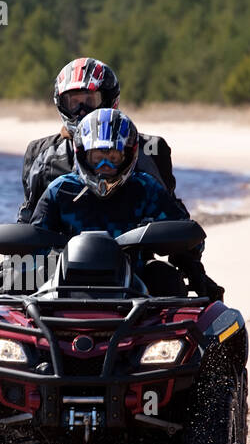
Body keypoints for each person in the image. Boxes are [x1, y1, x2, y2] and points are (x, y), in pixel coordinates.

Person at [31, 108, 222, 300]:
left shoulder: (145, 187)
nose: (104, 167)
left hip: (135, 283)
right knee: (18, 279)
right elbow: (34, 239)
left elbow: (181, 229)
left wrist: (191, 263)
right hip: (65, 279)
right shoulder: (61, 189)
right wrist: (14, 271)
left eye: (113, 158)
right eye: (97, 158)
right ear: (82, 155)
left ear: (128, 156)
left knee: (167, 278)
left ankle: (163, 329)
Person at [16, 57, 181, 223]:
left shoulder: (151, 148)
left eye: (90, 101)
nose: (82, 111)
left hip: (133, 245)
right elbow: (29, 220)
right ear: (62, 105)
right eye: (74, 103)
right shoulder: (40, 152)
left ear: (110, 100)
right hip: (65, 248)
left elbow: (172, 213)